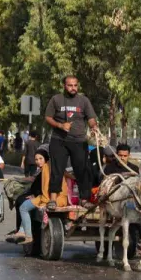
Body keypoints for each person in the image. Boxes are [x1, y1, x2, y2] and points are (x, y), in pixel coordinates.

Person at [43, 75, 99, 208]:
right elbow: (48, 117)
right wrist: (60, 126)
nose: (73, 88)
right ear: (64, 86)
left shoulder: (84, 100)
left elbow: (91, 118)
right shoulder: (56, 99)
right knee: (57, 170)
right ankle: (53, 199)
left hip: (79, 141)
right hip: (59, 140)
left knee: (82, 170)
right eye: (70, 85)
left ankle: (84, 199)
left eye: (75, 85)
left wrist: (94, 127)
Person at [6, 149, 51, 246]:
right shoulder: (41, 169)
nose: (38, 161)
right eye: (36, 159)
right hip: (38, 195)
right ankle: (20, 230)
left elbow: (45, 186)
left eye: (40, 159)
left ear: (46, 159)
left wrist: (35, 196)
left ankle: (26, 233)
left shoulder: (46, 169)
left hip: (43, 197)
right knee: (20, 199)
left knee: (23, 204)